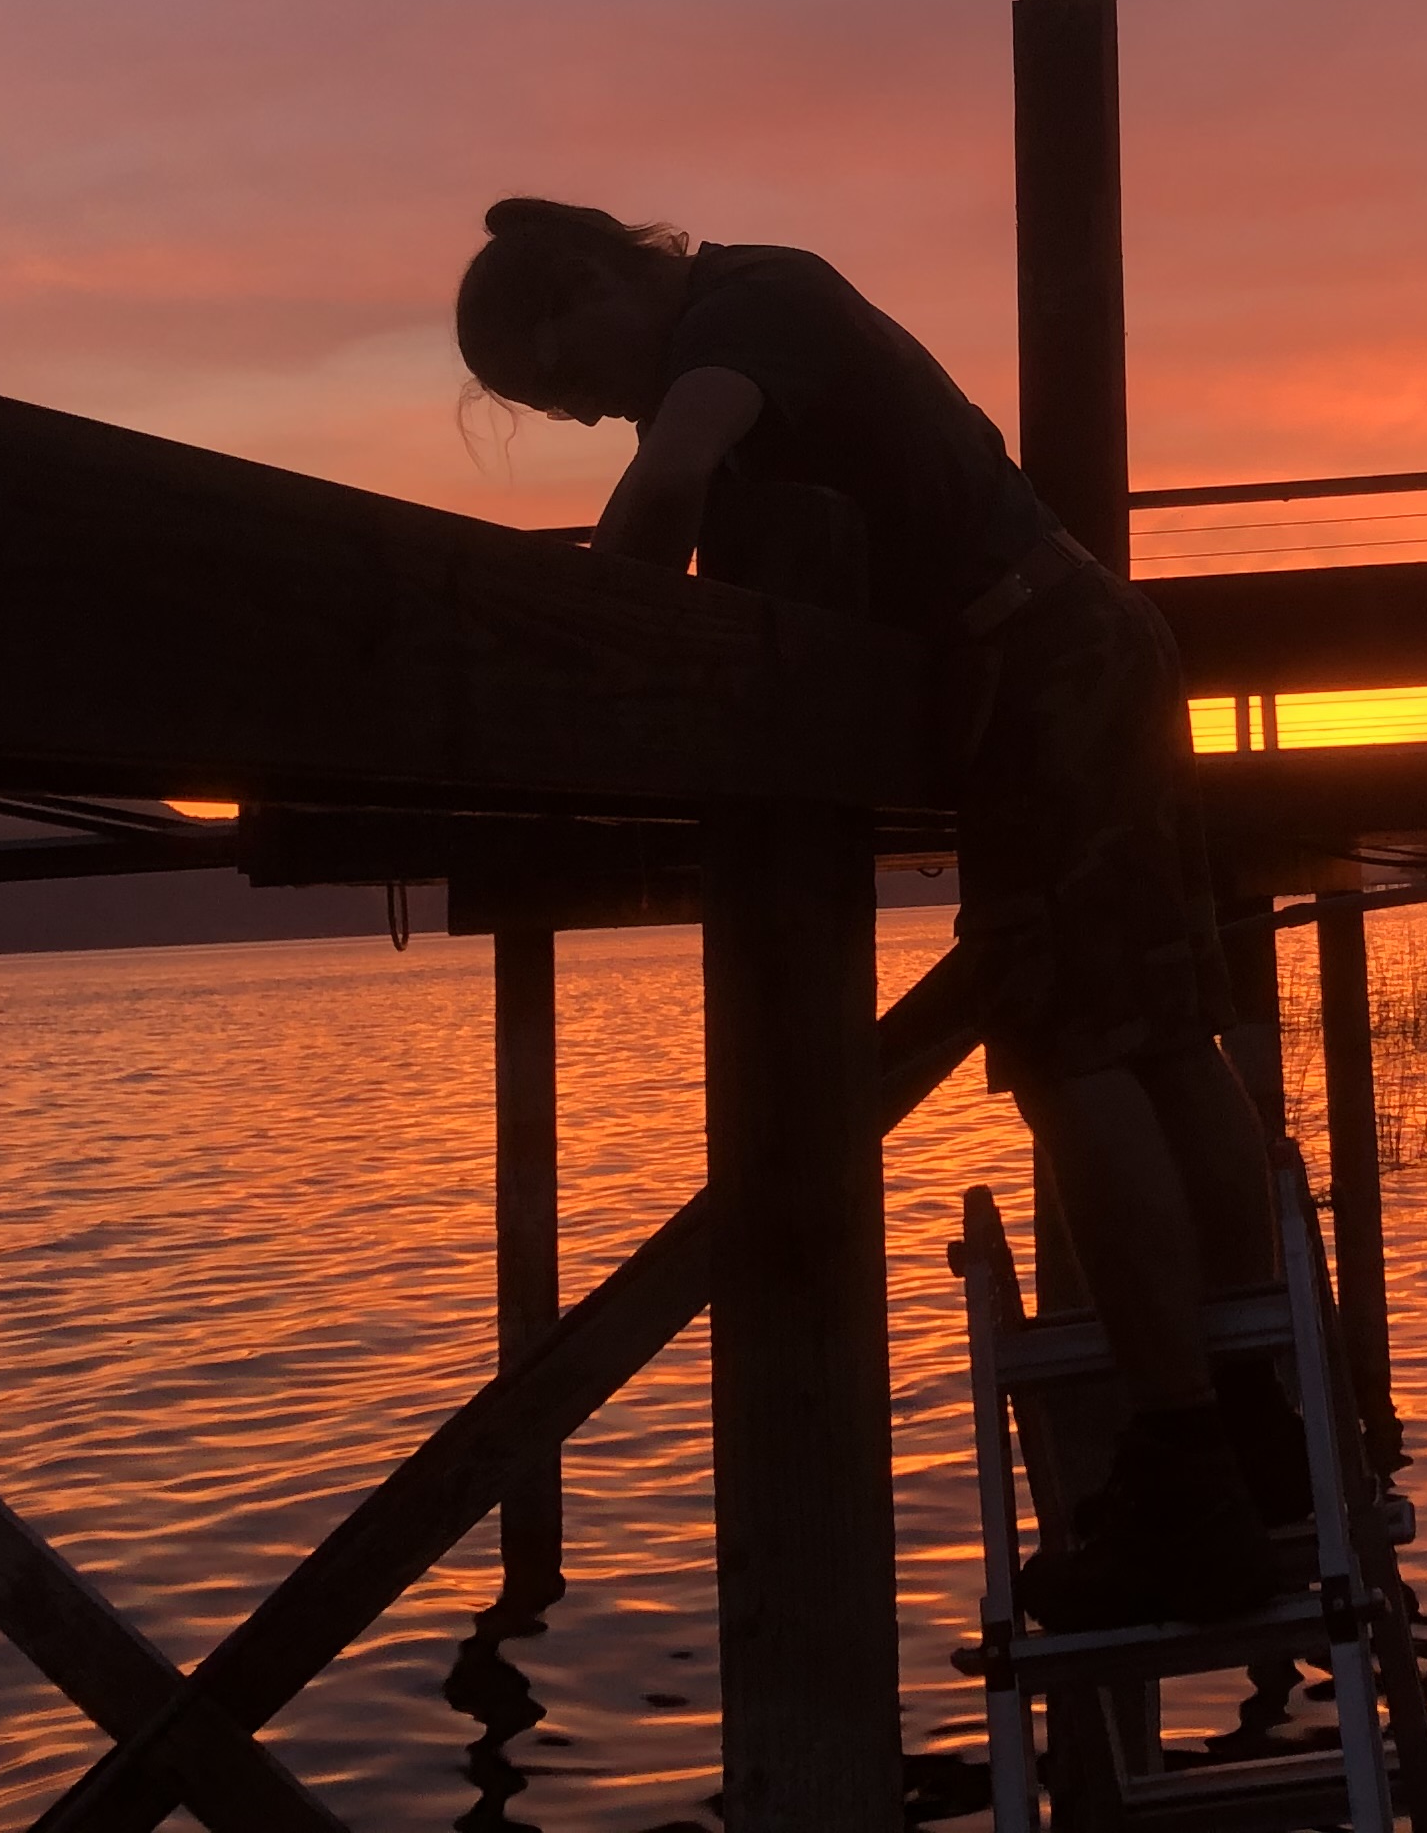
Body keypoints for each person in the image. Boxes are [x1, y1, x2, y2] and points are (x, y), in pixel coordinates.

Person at [454, 195, 1299, 1627]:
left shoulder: (743, 313)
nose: (591, 413)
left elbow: (672, 474)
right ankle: (1257, 1429)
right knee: (1161, 1036)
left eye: (568, 381)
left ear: (592, 283)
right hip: (1083, 647)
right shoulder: (766, 310)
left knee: (1073, 1054)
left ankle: (1185, 1468)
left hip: (1046, 675)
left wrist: (595, 650)